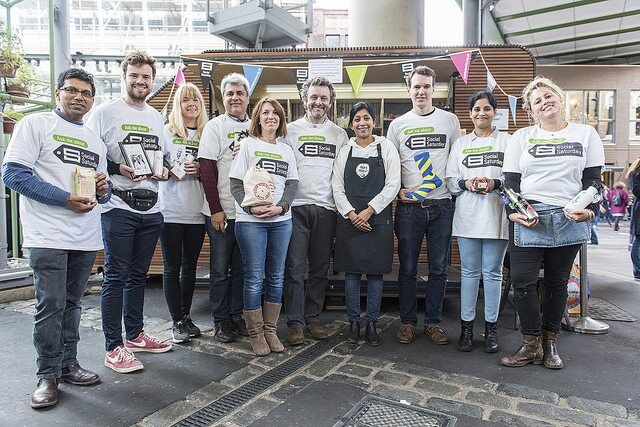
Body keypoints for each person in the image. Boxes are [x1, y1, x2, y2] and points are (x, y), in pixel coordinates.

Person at [2, 68, 110, 408]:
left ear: (92, 100)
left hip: (85, 235)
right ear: (58, 92)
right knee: (50, 306)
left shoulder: (95, 140)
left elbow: (100, 193)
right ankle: (46, 375)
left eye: (85, 93)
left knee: (74, 304)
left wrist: (104, 190)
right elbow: (14, 174)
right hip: (47, 234)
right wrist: (64, 199)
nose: (78, 97)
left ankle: (68, 364)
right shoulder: (35, 124)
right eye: (72, 90)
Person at [500, 76, 604, 370]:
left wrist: (590, 211)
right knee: (522, 282)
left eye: (549, 96)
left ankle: (550, 343)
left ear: (560, 100)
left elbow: (594, 182)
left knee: (558, 284)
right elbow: (509, 185)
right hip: (529, 216)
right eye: (537, 101)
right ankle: (529, 344)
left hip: (569, 215)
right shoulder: (521, 138)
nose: (544, 102)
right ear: (531, 111)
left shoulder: (586, 135)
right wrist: (513, 212)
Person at [87, 51, 172, 374]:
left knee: (139, 275)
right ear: (124, 76)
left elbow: (162, 156)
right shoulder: (104, 112)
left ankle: (134, 334)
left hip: (151, 207)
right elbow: (91, 154)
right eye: (134, 75)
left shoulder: (154, 116)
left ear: (152, 80)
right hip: (118, 205)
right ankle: (113, 346)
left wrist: (163, 169)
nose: (140, 81)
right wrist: (116, 167)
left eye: (146, 77)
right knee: (116, 276)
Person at [386, 65, 461, 345]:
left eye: (426, 86)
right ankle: (407, 322)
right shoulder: (398, 125)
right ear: (409, 90)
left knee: (439, 268)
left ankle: (433, 322)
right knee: (406, 268)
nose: (421, 91)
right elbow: (391, 167)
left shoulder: (450, 121)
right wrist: (399, 191)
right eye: (416, 86)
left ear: (433, 89)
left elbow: (457, 159)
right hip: (409, 210)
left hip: (441, 206)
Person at [228, 97, 299, 356]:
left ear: (281, 119)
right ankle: (256, 334)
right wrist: (250, 208)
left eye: (276, 113)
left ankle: (271, 330)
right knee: (254, 277)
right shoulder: (247, 145)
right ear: (257, 117)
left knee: (277, 278)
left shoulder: (286, 150)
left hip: (281, 221)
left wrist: (281, 207)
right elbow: (235, 183)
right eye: (265, 112)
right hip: (250, 223)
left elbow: (292, 185)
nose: (271, 116)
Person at [283, 77, 349, 345]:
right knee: (295, 269)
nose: (318, 102)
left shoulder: (340, 135)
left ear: (330, 102)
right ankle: (295, 323)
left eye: (323, 97)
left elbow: (343, 175)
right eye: (313, 97)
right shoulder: (288, 131)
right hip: (296, 208)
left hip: (326, 209)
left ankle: (313, 318)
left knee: (320, 269)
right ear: (304, 99)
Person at [445, 91, 509, 353]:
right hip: (468, 217)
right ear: (470, 114)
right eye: (476, 110)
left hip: (496, 216)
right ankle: (467, 329)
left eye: (486, 109)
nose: (481, 113)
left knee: (493, 275)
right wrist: (466, 183)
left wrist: (496, 183)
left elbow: (515, 178)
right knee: (470, 274)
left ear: (495, 112)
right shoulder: (460, 144)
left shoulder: (507, 141)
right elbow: (450, 180)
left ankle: (491, 330)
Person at [332, 102, 400, 346]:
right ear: (351, 125)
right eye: (357, 119)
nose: (362, 123)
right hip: (349, 220)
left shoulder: (386, 148)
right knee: (351, 274)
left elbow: (393, 184)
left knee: (375, 274)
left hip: (378, 219)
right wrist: (352, 214)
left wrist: (369, 211)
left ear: (374, 122)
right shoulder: (345, 150)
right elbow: (336, 186)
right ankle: (353, 322)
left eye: (366, 118)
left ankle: (371, 323)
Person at [199, 73, 251, 343]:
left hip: (248, 214)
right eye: (229, 93)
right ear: (223, 97)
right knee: (220, 270)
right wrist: (216, 209)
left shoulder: (255, 126)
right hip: (221, 212)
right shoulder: (214, 127)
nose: (235, 98)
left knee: (241, 269)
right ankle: (221, 321)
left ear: (247, 97)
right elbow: (206, 170)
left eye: (239, 93)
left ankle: (236, 315)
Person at [159, 83, 207, 343]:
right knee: (171, 267)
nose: (191, 104)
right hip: (170, 210)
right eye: (186, 100)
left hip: (196, 211)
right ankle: (176, 320)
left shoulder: (204, 133)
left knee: (190, 268)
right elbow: (156, 162)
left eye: (196, 100)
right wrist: (172, 168)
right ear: (178, 105)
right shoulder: (166, 132)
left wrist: (200, 170)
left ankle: (186, 316)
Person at [626, 160, 640, 280]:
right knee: (638, 241)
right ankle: (638, 271)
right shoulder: (635, 173)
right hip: (639, 211)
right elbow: (637, 191)